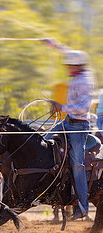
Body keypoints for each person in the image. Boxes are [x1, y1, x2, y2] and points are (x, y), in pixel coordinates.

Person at [43, 40, 94, 220]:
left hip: (79, 127)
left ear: (78, 66)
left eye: (71, 66)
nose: (68, 68)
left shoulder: (85, 82)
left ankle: (83, 206)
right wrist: (53, 44)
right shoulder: (77, 72)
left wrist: (61, 107)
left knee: (77, 165)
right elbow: (68, 52)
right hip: (67, 122)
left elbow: (84, 107)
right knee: (42, 142)